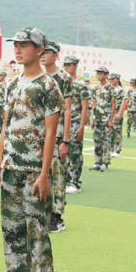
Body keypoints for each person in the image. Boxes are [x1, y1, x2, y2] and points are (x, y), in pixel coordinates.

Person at [0, 27, 63, 272]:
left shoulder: (48, 86)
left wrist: (44, 174)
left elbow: (50, 134)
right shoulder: (10, 85)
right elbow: (5, 127)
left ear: (40, 50)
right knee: (12, 230)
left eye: (25, 45)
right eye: (17, 44)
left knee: (36, 230)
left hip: (34, 169)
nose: (19, 49)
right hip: (11, 169)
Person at [40, 41, 72, 233]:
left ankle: (57, 216)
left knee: (57, 175)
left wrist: (65, 140)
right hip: (41, 134)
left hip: (57, 133)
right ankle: (43, 212)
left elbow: (66, 110)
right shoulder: (40, 77)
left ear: (56, 55)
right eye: (41, 52)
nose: (43, 55)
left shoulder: (63, 77)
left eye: (48, 52)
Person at [62, 56, 89, 194]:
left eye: (69, 65)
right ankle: (65, 180)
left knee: (75, 153)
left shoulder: (80, 85)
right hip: (63, 123)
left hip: (75, 121)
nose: (66, 67)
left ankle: (75, 182)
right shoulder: (61, 83)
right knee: (63, 153)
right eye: (64, 65)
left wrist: (81, 126)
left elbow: (85, 107)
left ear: (75, 66)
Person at [90, 66, 115, 171]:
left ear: (106, 75)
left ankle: (105, 163)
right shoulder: (95, 88)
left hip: (106, 118)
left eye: (100, 73)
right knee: (97, 141)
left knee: (106, 141)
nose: (98, 75)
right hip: (97, 118)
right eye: (98, 73)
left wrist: (110, 120)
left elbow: (113, 104)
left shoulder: (110, 88)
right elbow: (93, 103)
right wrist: (91, 118)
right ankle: (97, 162)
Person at [109, 73, 127, 156]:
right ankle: (110, 149)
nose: (111, 81)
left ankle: (117, 150)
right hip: (108, 113)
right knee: (109, 131)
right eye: (110, 79)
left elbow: (124, 102)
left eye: (112, 79)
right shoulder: (109, 89)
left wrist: (119, 113)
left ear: (117, 79)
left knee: (117, 131)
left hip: (116, 112)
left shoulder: (121, 90)